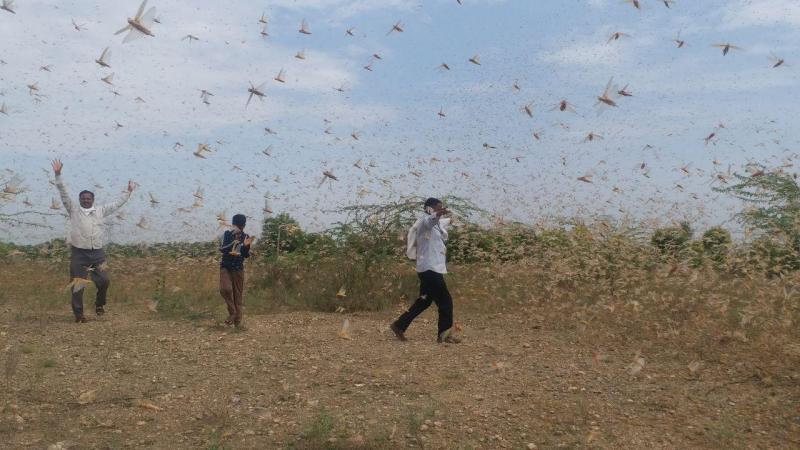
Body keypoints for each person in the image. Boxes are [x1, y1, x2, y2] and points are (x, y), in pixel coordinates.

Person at [51, 159, 136, 323]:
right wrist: (58, 174)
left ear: (93, 200)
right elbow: (63, 192)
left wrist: (128, 192)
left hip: (98, 253)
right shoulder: (73, 210)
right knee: (78, 285)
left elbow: (117, 204)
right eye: (83, 198)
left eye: (88, 198)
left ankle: (99, 303)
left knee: (104, 280)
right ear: (79, 199)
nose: (86, 200)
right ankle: (79, 315)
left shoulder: (100, 211)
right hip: (79, 253)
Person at [391, 198, 461, 343]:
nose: (440, 210)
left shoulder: (436, 226)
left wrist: (451, 217)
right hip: (431, 270)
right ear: (429, 208)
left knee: (424, 302)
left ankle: (399, 325)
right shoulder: (424, 223)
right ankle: (444, 335)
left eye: (441, 208)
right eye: (437, 208)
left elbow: (443, 221)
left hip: (428, 269)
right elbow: (431, 220)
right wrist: (437, 214)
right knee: (445, 301)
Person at [219, 214, 255, 327]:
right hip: (226, 267)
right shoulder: (228, 234)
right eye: (237, 225)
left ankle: (237, 324)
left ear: (243, 226)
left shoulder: (246, 236)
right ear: (233, 225)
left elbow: (245, 255)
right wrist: (234, 242)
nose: (239, 228)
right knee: (225, 289)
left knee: (238, 296)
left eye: (241, 226)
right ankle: (233, 312)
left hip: (238, 269)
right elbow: (222, 249)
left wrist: (246, 246)